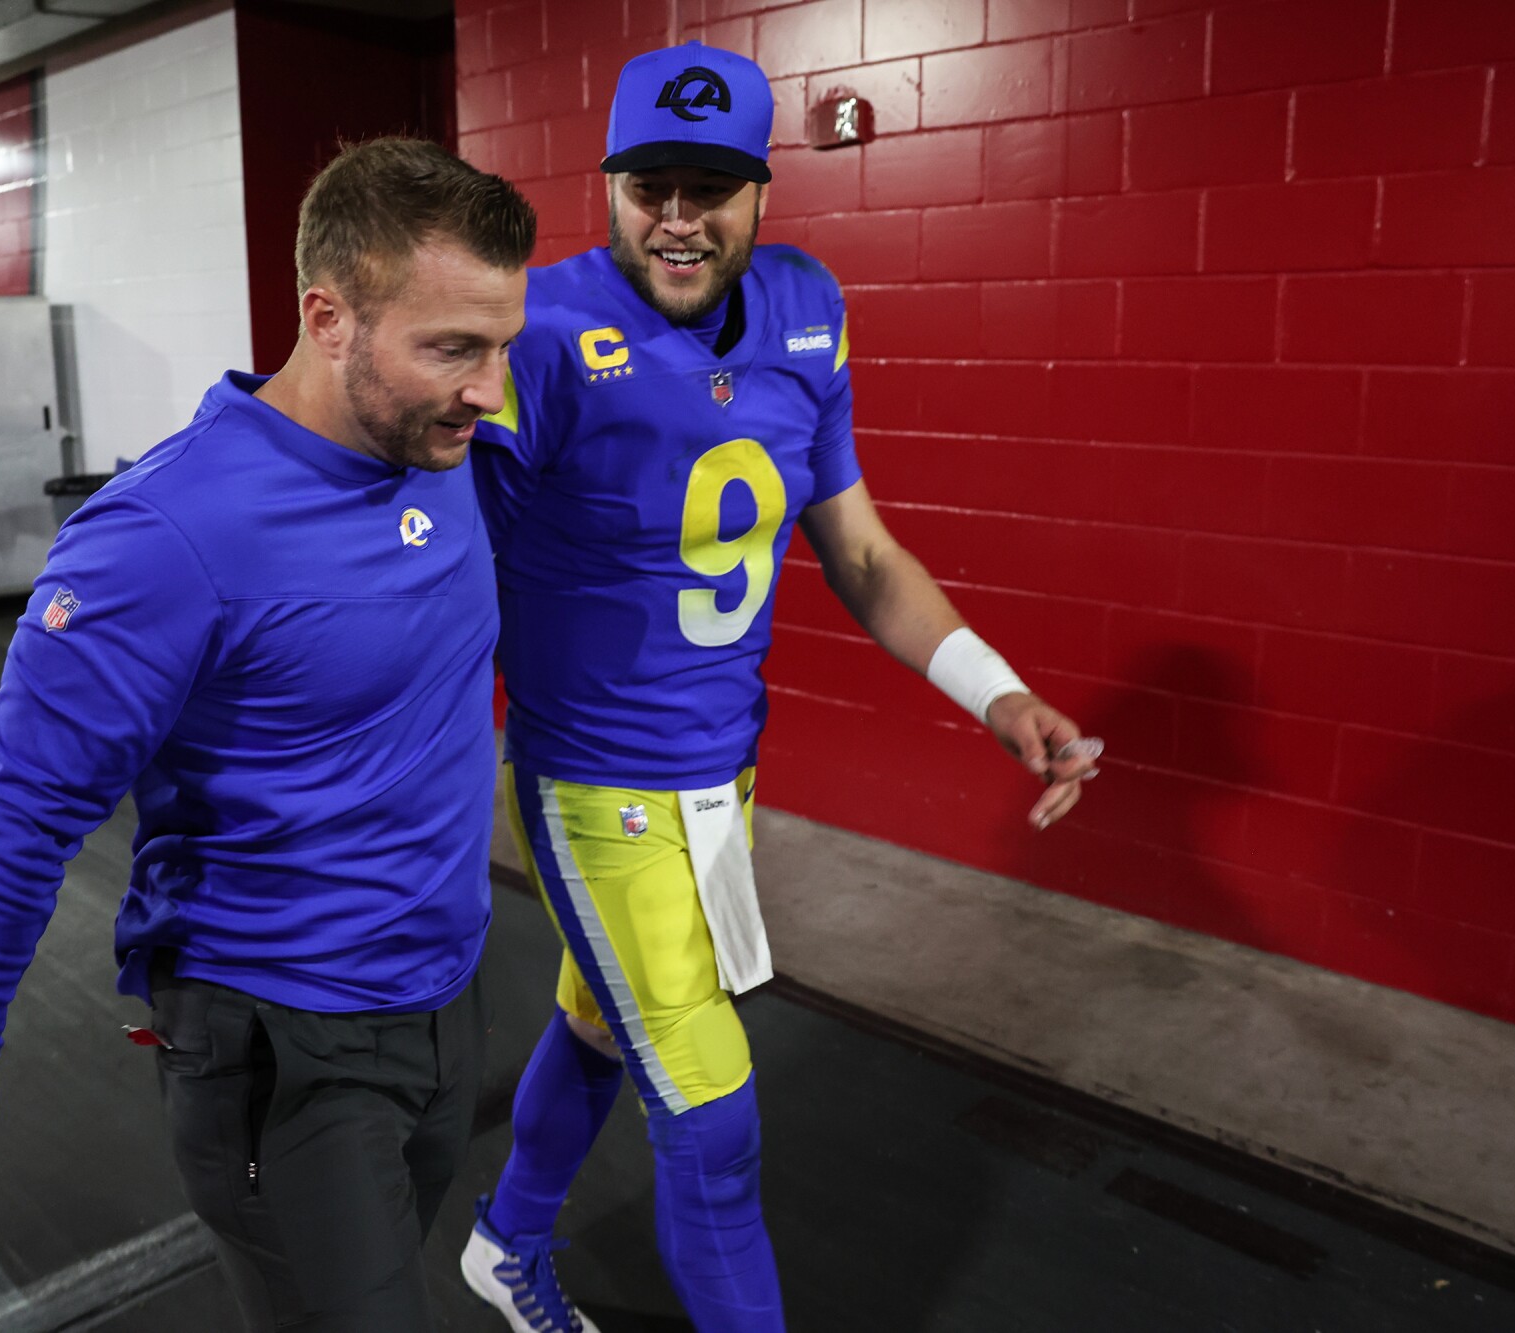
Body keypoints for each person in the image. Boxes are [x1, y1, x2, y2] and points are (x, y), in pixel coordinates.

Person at [0, 137, 535, 1332]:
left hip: (447, 999)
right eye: (453, 349)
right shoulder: (163, 538)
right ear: (328, 318)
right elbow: (8, 833)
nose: (491, 388)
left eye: (501, 343)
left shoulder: (439, 445)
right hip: (285, 1046)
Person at [458, 43, 1099, 1333]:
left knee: (598, 1023)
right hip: (595, 783)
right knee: (712, 1112)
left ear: (761, 193)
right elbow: (442, 575)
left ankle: (503, 1243)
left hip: (722, 772)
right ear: (609, 184)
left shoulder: (808, 310)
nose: (677, 219)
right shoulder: (537, 331)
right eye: (650, 186)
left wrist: (997, 692)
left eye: (710, 186)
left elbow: (857, 547)